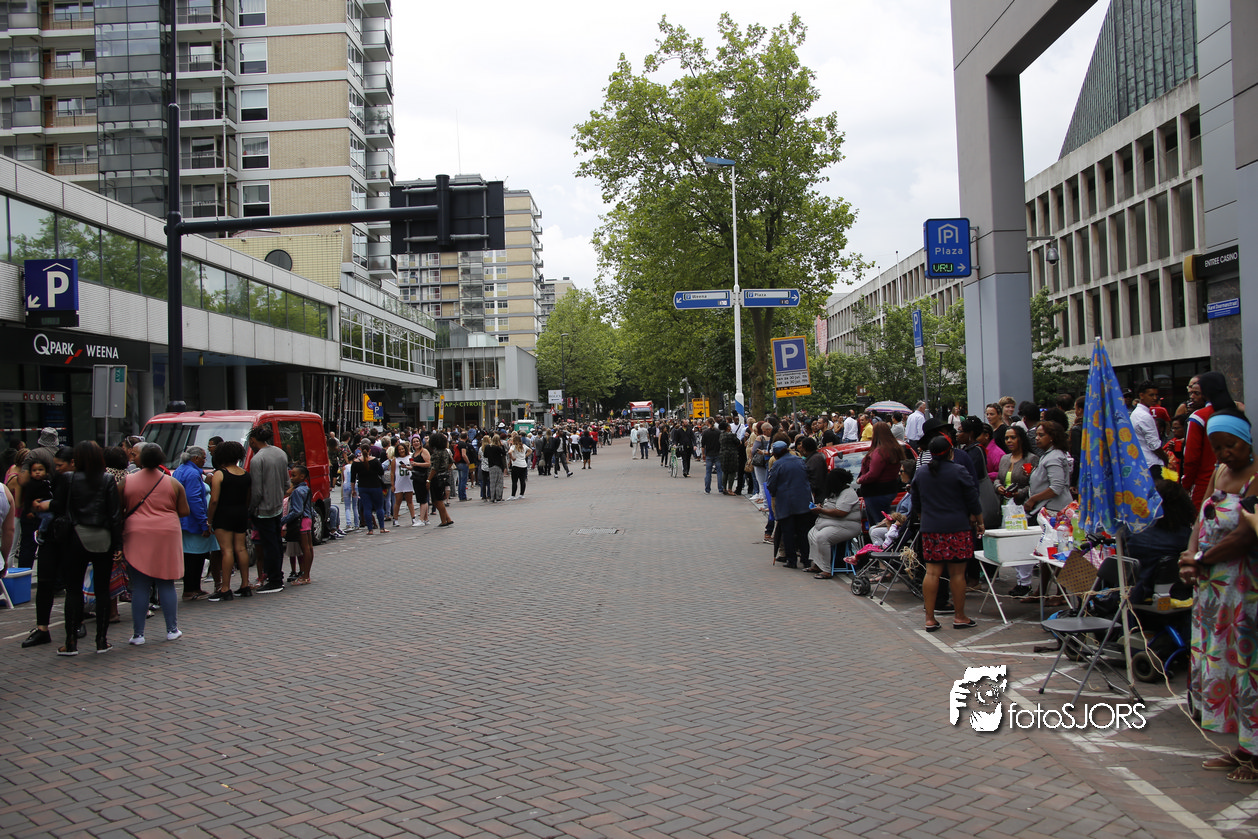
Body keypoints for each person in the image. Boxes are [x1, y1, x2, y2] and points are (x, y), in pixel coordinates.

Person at [1178, 409, 1258, 782]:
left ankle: (1256, 753)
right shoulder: (1221, 472)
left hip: (1244, 589)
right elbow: (1202, 517)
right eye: (1219, 447)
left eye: (1232, 445)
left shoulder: (1255, 478)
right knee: (1222, 664)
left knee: (1247, 666)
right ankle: (1243, 745)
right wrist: (1190, 554)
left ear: (1247, 440)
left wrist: (1201, 559)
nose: (1226, 453)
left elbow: (1245, 534)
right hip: (1213, 590)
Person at [40, 442, 122, 655]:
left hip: (75, 537)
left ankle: (70, 642)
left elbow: (59, 506)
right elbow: (114, 515)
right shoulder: (107, 479)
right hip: (102, 538)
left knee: (73, 590)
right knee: (102, 590)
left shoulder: (68, 478)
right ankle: (101, 641)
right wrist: (117, 544)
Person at [910, 435, 982, 632]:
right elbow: (973, 499)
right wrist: (980, 521)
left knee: (932, 572)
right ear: (951, 452)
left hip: (931, 528)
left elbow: (916, 501)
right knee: (957, 574)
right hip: (957, 528)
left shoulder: (922, 473)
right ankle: (960, 616)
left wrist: (923, 516)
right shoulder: (959, 471)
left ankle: (929, 619)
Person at [122, 443, 189, 646]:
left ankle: (138, 634)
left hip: (136, 534)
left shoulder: (127, 481)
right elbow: (184, 511)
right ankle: (172, 629)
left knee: (140, 586)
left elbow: (118, 508)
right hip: (166, 534)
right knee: (166, 583)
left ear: (141, 459)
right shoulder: (173, 483)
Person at [1012, 421, 1072, 599]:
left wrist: (1033, 499)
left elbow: (1056, 487)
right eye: (1036, 435)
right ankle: (1042, 591)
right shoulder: (1048, 455)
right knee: (1045, 554)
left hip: (1056, 512)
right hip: (1048, 511)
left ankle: (1061, 595)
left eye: (1041, 435)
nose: (1037, 438)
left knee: (1057, 554)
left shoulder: (1054, 457)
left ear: (1052, 437)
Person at [207, 440, 252, 601]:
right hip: (240, 512)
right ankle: (245, 584)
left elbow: (214, 500)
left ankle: (225, 588)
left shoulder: (220, 474)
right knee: (241, 548)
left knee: (226, 550)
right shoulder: (245, 474)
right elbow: (248, 497)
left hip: (224, 513)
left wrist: (209, 520)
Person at [248, 424, 291, 592]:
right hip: (277, 506)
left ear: (253, 440)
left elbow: (257, 491)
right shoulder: (280, 453)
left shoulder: (257, 459)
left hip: (263, 509)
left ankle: (274, 579)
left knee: (269, 545)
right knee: (276, 543)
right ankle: (276, 575)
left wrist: (251, 508)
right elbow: (287, 483)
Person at [1182, 371, 1230, 512]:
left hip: (1204, 484)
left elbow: (1191, 458)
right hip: (1235, 481)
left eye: (1196, 393)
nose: (1192, 397)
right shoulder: (1236, 413)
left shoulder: (1199, 417)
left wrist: (1185, 484)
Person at [765, 439, 814, 570]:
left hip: (786, 503)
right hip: (802, 502)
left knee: (788, 532)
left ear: (776, 454)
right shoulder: (800, 461)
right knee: (803, 532)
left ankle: (791, 560)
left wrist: (774, 493)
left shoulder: (778, 464)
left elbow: (771, 484)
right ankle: (806, 559)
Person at [806, 468, 864, 579]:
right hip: (834, 523)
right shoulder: (836, 492)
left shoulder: (848, 493)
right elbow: (830, 505)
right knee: (811, 534)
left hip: (847, 526)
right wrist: (821, 507)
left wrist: (821, 510)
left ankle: (826, 570)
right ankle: (817, 564)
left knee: (822, 538)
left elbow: (841, 512)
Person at [173, 447, 213, 602]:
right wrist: (203, 522)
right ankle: (191, 589)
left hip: (183, 520)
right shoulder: (192, 474)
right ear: (195, 458)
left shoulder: (180, 470)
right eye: (203, 457)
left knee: (190, 554)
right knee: (195, 556)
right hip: (192, 521)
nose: (204, 460)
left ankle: (193, 588)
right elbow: (194, 499)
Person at [858, 422, 903, 527]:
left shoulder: (880, 452)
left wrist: (860, 480)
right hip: (889, 489)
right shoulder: (895, 449)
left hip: (876, 492)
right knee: (882, 523)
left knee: (880, 525)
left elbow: (873, 474)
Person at [282, 464, 315, 585]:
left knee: (305, 548)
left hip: (301, 521)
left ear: (302, 476)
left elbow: (296, 511)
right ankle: (306, 574)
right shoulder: (306, 489)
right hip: (308, 519)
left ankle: (305, 576)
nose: (291, 478)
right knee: (309, 547)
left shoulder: (297, 491)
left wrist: (283, 520)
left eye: (294, 475)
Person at [352, 445, 388, 536]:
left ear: (360, 450)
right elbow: (381, 472)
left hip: (363, 487)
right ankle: (382, 528)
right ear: (369, 450)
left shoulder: (355, 462)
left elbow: (352, 478)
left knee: (367, 508)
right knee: (379, 507)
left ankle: (370, 529)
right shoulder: (375, 460)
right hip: (375, 485)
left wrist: (353, 490)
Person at [1131, 380, 1166, 471]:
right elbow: (1154, 444)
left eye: (1156, 395)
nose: (1154, 398)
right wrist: (1166, 459)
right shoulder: (1144, 416)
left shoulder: (1137, 413)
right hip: (1152, 464)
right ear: (1141, 395)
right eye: (1151, 395)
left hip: (1142, 461)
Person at [426, 432, 455, 526]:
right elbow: (451, 462)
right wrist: (445, 469)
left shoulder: (436, 453)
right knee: (438, 499)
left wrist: (428, 480)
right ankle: (448, 518)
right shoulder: (445, 451)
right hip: (444, 476)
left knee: (437, 500)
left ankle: (443, 520)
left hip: (436, 478)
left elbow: (434, 468)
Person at [390, 441, 418, 526]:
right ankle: (395, 519)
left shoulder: (410, 457)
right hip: (399, 482)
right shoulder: (395, 460)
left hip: (408, 481)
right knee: (398, 501)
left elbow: (414, 467)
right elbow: (392, 473)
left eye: (402, 449)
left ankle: (413, 518)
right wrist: (392, 484)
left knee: (410, 501)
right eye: (399, 449)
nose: (401, 451)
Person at [701, 420, 723, 495]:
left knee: (708, 472)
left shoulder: (705, 432)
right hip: (717, 453)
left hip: (709, 454)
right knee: (719, 472)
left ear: (708, 423)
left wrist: (703, 454)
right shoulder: (718, 432)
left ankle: (707, 489)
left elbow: (703, 445)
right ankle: (720, 488)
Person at [719, 422, 742, 495]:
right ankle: (730, 489)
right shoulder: (732, 435)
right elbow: (738, 442)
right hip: (732, 454)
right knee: (732, 471)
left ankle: (724, 488)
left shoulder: (721, 435)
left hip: (723, 454)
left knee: (725, 471)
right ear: (728, 427)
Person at [508, 432, 532, 498]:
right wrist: (525, 456)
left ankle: (513, 495)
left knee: (514, 481)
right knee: (522, 480)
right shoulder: (524, 446)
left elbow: (509, 452)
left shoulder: (513, 446)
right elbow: (530, 450)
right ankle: (521, 494)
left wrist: (512, 458)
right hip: (523, 464)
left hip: (516, 464)